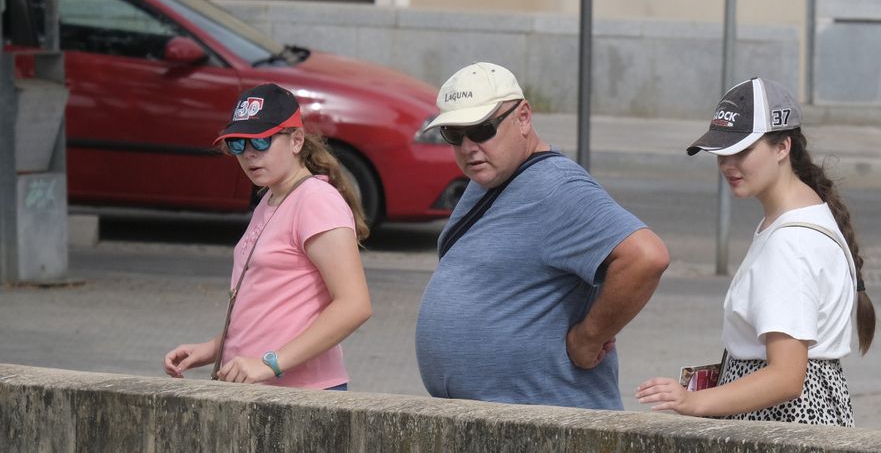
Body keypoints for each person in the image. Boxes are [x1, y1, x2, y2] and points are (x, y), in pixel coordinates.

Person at [414, 61, 669, 408]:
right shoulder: (489, 178)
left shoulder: (556, 186)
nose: (469, 147)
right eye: (454, 135)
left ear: (523, 118)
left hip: (551, 428)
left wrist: (588, 338)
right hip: (494, 421)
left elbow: (646, 256)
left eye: (482, 129)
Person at [635, 78, 874, 425]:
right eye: (721, 152)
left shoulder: (788, 245)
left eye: (742, 150)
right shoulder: (805, 213)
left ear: (782, 148)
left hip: (782, 427)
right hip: (805, 418)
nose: (728, 164)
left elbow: (787, 377)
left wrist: (693, 401)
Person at [163, 83, 372, 389]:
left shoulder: (315, 199)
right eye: (237, 144)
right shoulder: (272, 197)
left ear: (296, 140)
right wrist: (213, 349)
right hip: (262, 393)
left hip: (304, 396)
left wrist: (270, 363)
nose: (248, 155)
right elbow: (266, 307)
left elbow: (355, 305)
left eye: (260, 142)